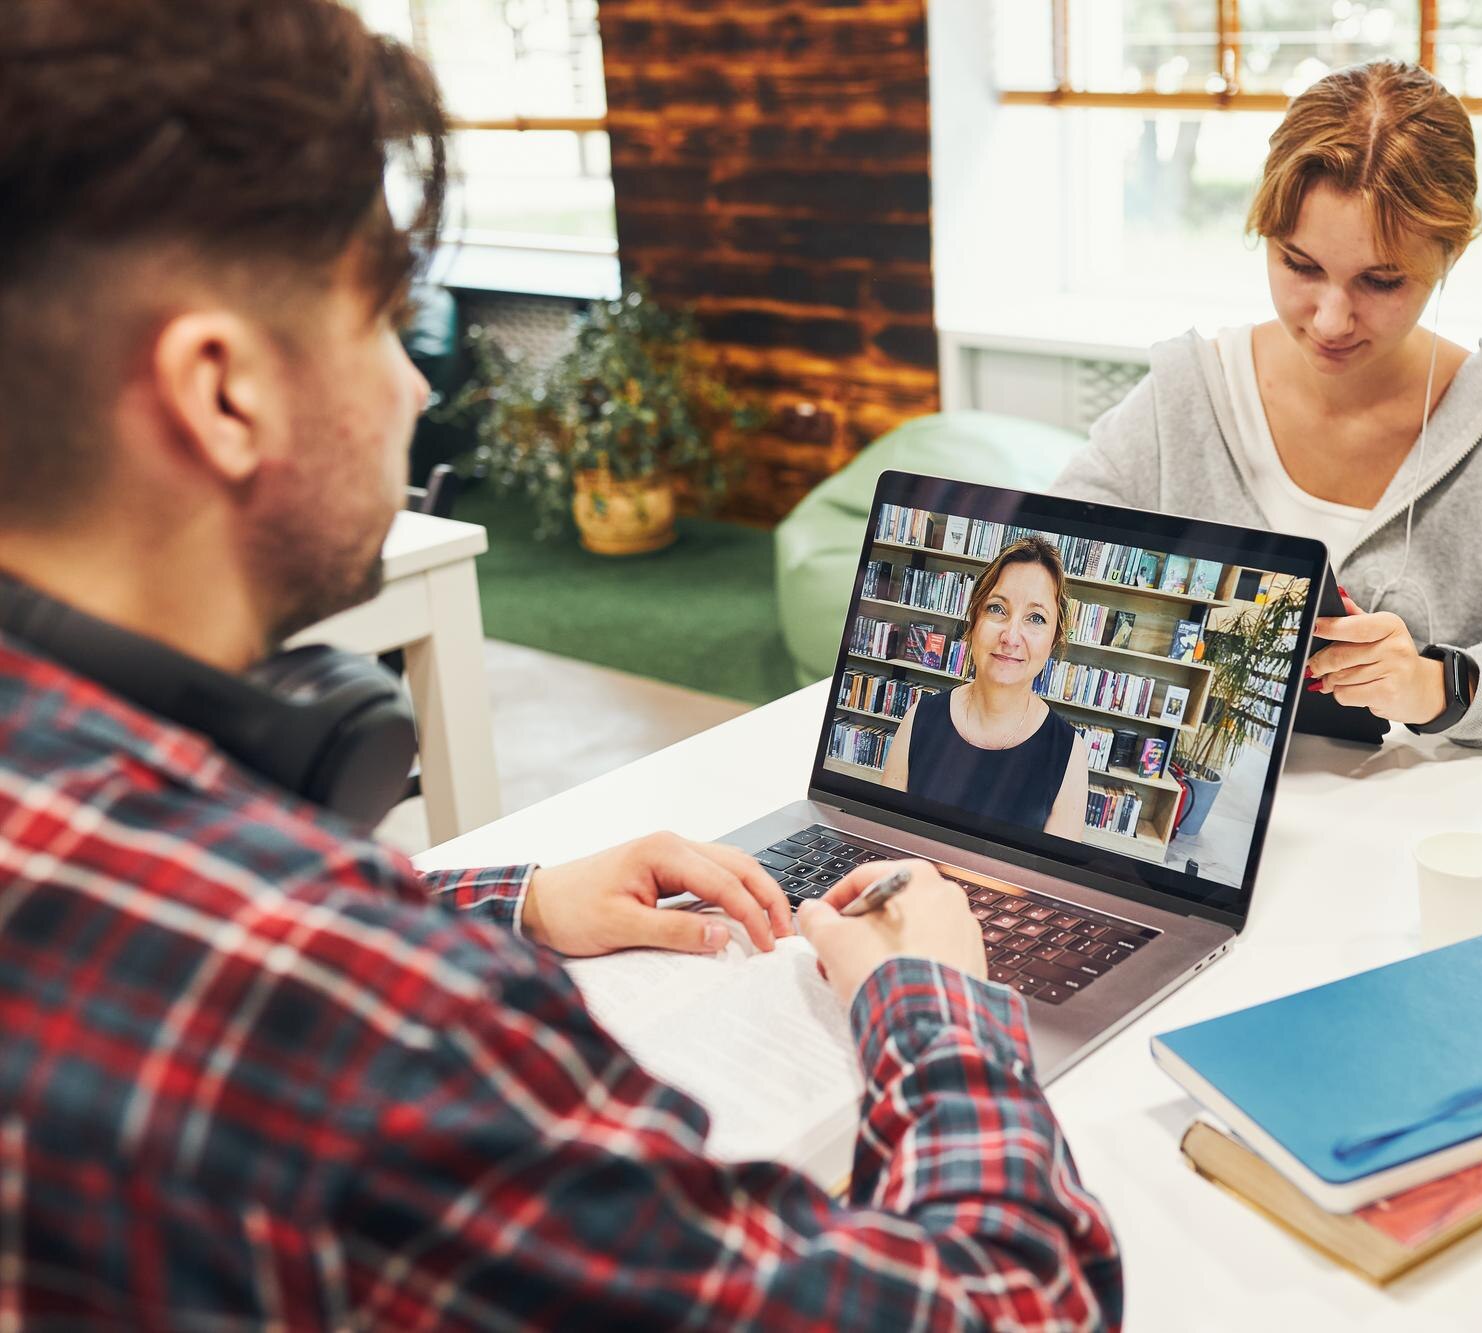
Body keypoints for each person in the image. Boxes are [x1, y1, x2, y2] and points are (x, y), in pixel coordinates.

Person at [0, 2, 1121, 1326]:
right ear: (224, 392)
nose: (418, 392)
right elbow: (1007, 1302)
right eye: (385, 320)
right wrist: (935, 998)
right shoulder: (365, 1025)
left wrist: (510, 898)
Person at [1053, 61, 1482, 761]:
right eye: (1300, 266)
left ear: (1449, 255)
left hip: (1424, 843)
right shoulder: (1185, 396)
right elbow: (1039, 571)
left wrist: (1433, 683)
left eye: (1381, 280)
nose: (1331, 320)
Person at [884, 537, 1091, 840]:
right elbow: (885, 843)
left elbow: (1047, 882)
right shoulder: (919, 719)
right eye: (997, 608)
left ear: (1054, 641)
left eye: (1036, 618)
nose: (1011, 635)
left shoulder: (1069, 754)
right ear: (974, 620)